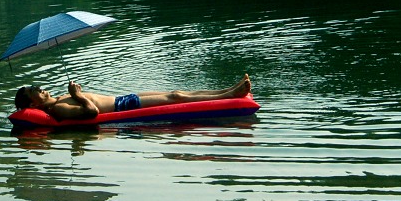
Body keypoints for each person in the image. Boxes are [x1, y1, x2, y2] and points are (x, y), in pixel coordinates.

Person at [14, 74, 252, 121]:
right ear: (33, 103)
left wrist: (76, 92)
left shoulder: (56, 100)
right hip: (121, 108)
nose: (40, 88)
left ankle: (225, 91)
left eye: (37, 86)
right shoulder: (57, 110)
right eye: (35, 90)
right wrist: (78, 95)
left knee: (176, 92)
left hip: (122, 98)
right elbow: (92, 113)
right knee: (176, 96)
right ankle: (231, 95)